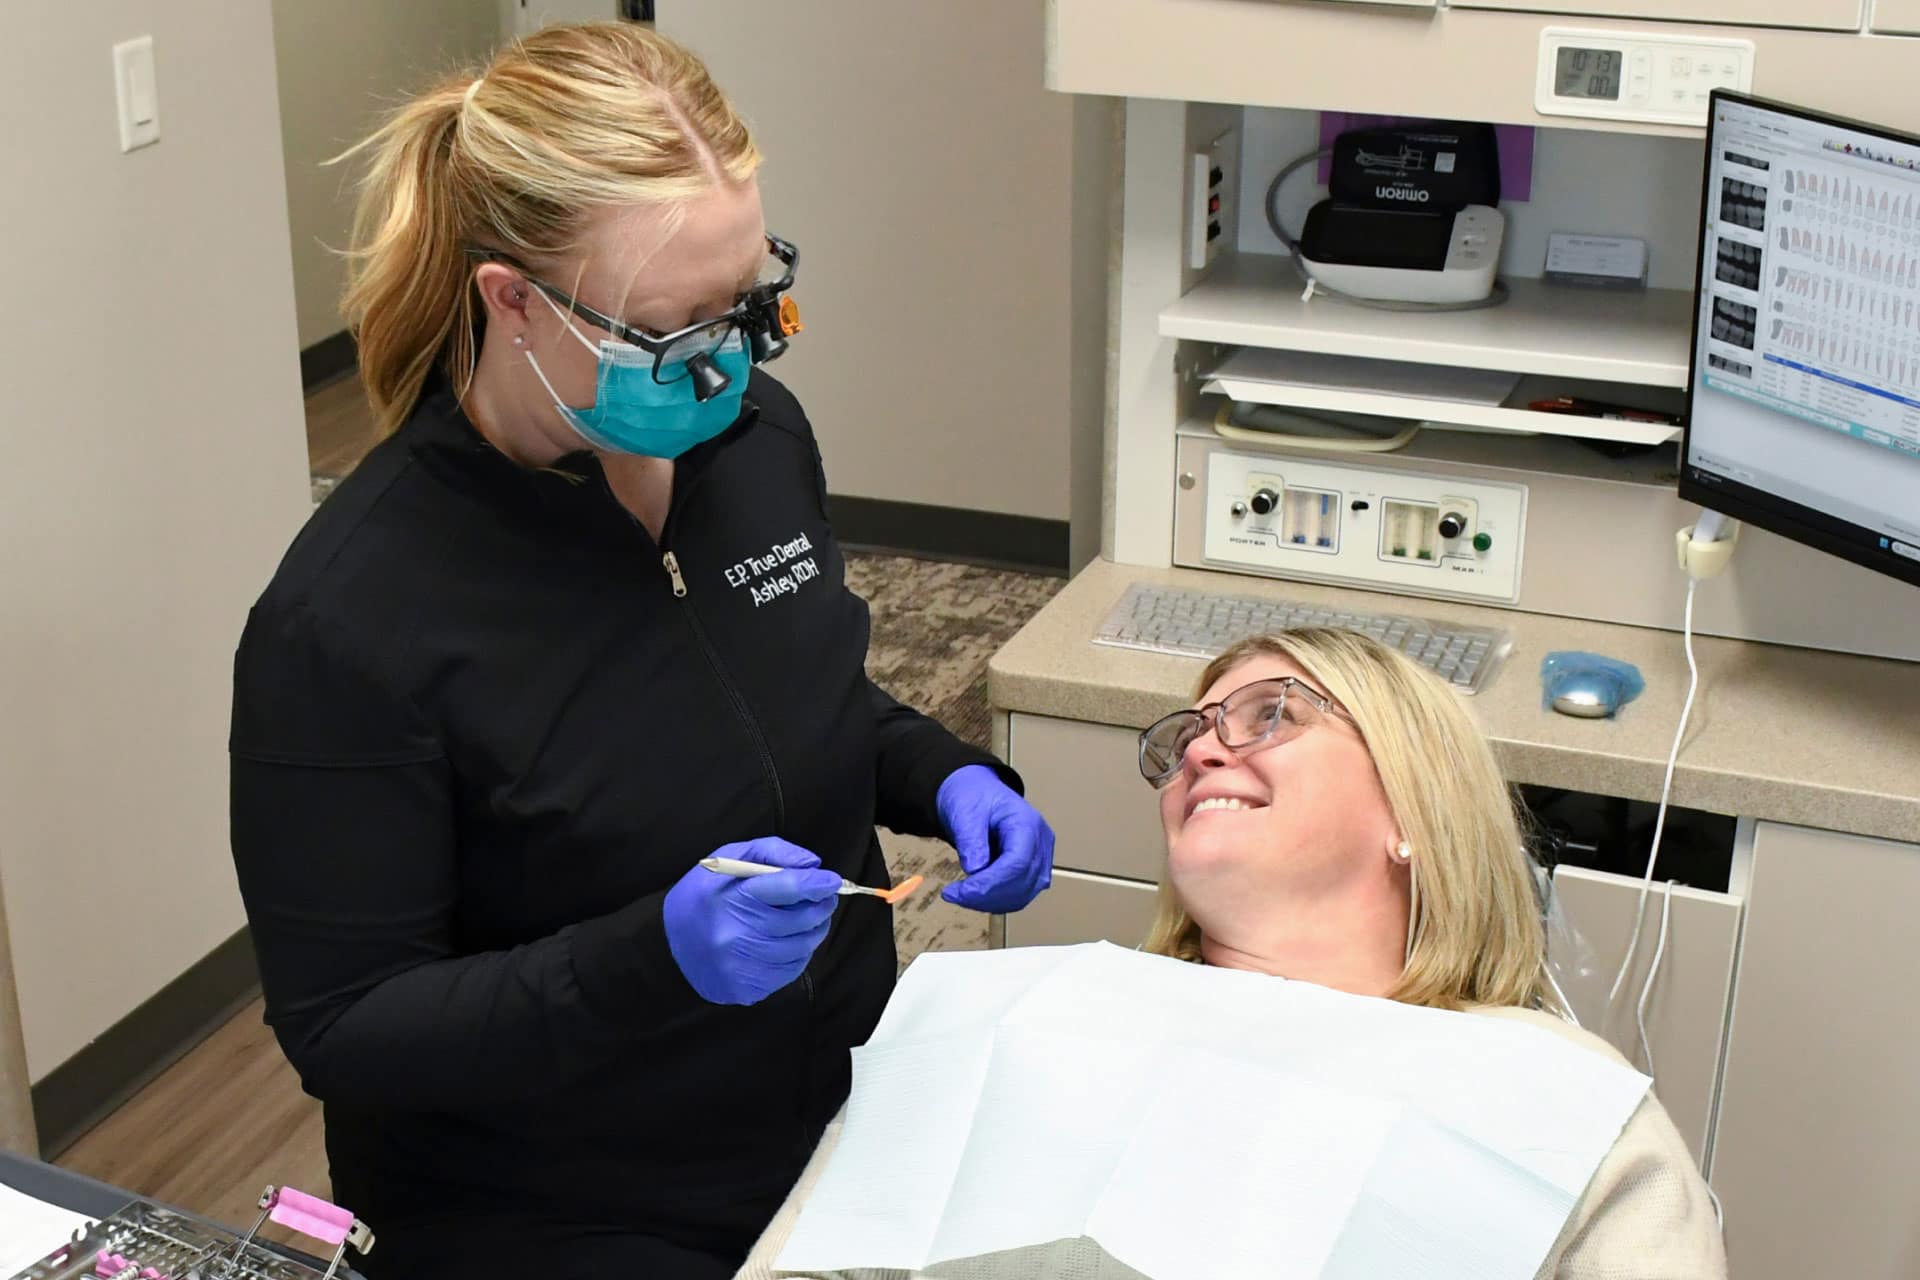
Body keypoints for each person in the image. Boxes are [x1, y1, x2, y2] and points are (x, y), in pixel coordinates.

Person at [226, 23, 1053, 1279]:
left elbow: (776, 686)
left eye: (748, 306)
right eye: (672, 332)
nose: (726, 363)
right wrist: (647, 959)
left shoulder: (758, 441)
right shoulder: (351, 620)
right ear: (512, 300)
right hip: (564, 1203)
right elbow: (350, 1026)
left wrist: (943, 773)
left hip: (838, 1107)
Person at [738, 628, 1726, 1279]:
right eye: (1187, 737)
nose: (1202, 750)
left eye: (1275, 716)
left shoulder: (1560, 1103)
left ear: (1414, 808)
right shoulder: (1009, 1016)